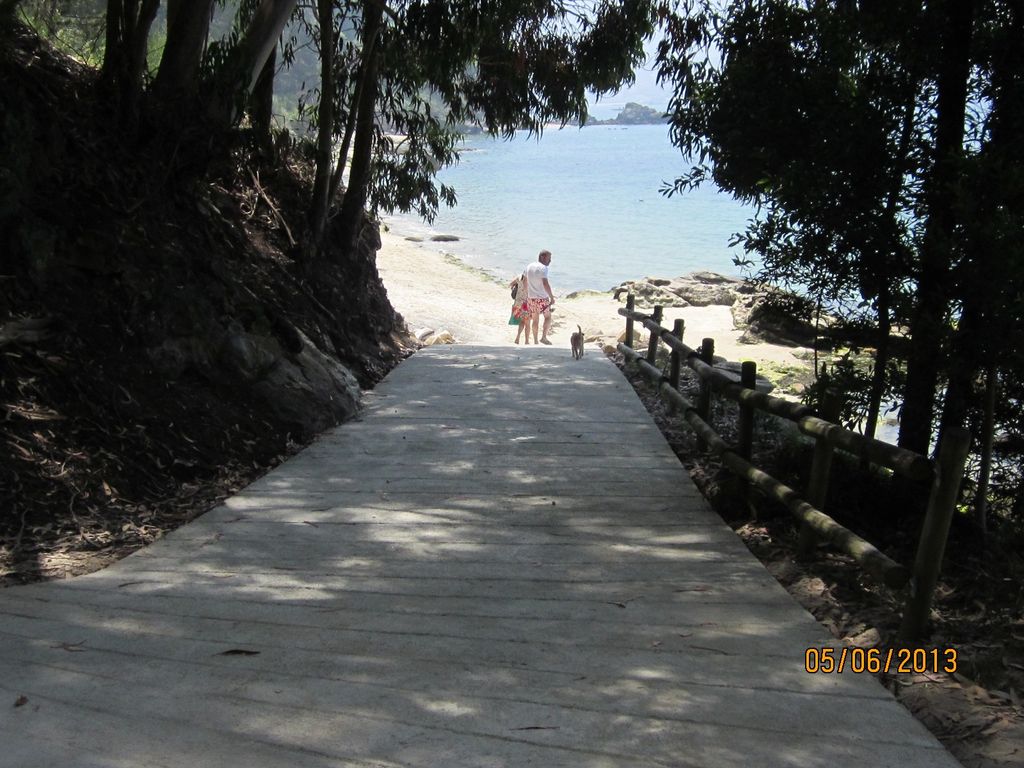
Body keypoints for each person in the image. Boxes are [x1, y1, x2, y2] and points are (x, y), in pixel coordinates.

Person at [523, 249, 556, 345]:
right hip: (542, 298)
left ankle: (535, 341)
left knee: (535, 319)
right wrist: (552, 297)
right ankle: (544, 337)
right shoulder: (543, 268)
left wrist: (527, 294)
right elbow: (545, 284)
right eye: (549, 258)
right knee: (548, 317)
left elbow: (525, 282)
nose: (550, 261)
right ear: (542, 257)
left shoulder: (529, 266)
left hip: (531, 298)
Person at [509, 272, 530, 343]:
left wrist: (515, 286)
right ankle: (526, 341)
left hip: (517, 303)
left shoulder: (519, 278)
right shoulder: (531, 282)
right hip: (526, 304)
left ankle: (517, 338)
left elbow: (510, 284)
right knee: (527, 323)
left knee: (522, 322)